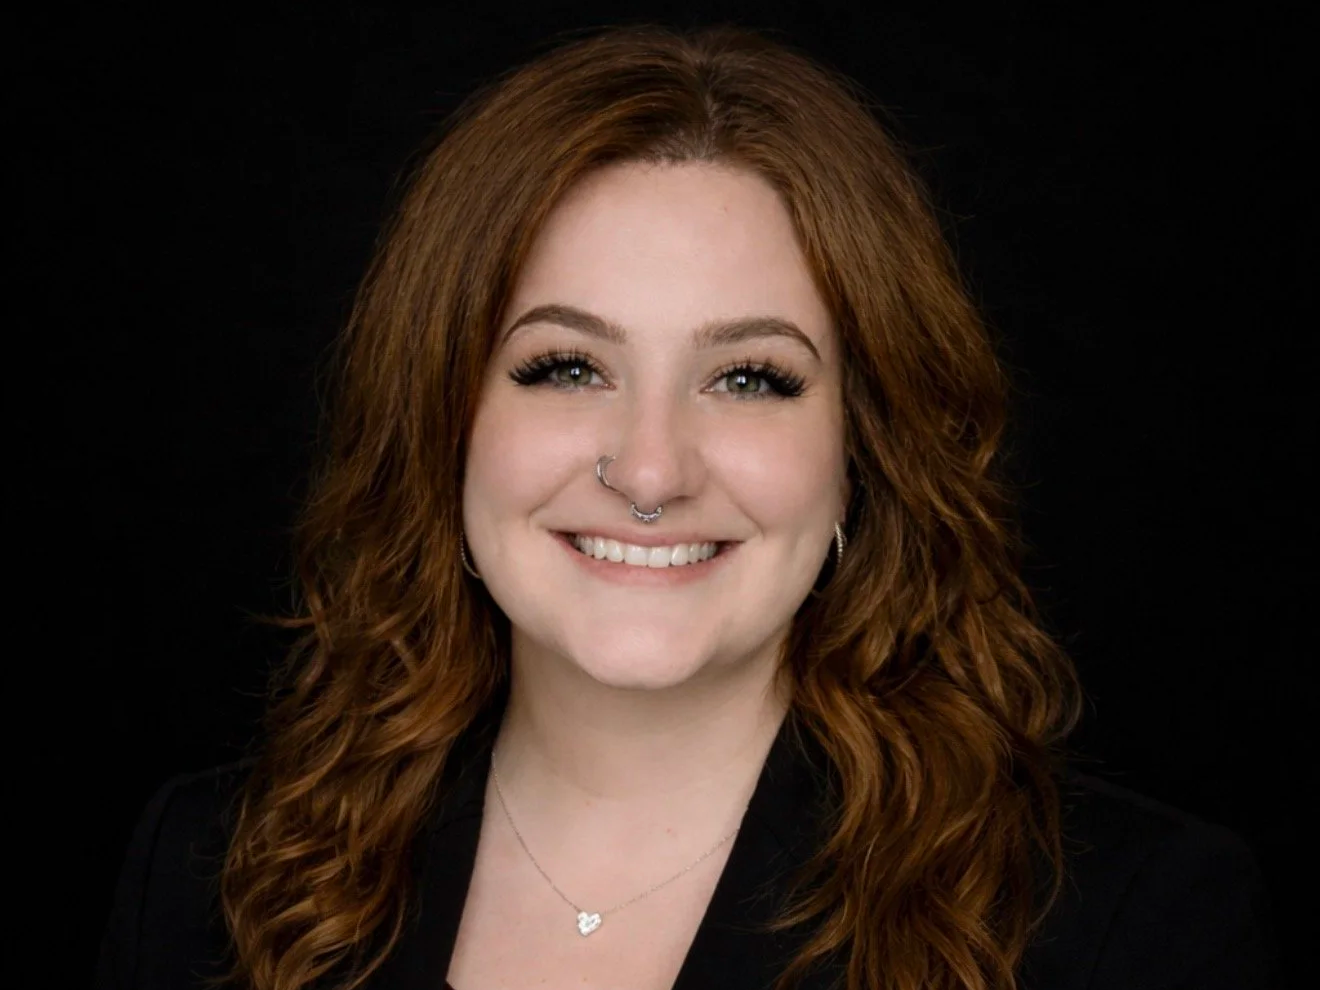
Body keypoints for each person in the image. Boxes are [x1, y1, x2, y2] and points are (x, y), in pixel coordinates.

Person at [95, 22, 1279, 990]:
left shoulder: (1132, 929)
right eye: (566, 367)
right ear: (444, 420)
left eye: (750, 378)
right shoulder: (206, 874)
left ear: (865, 444)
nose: (651, 470)